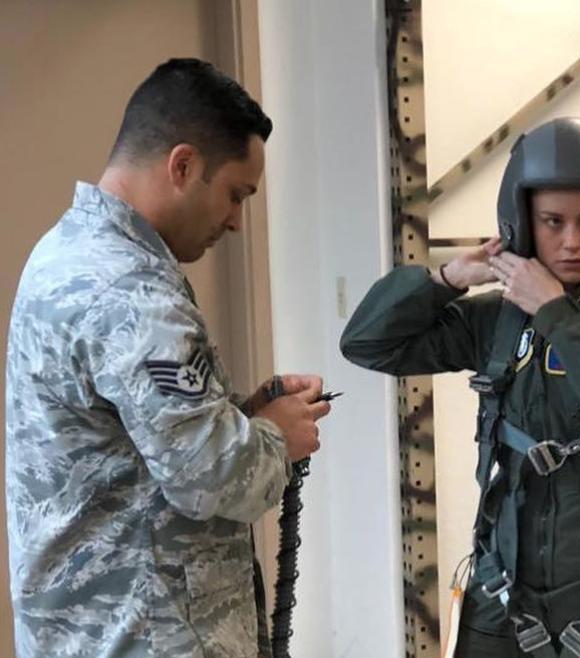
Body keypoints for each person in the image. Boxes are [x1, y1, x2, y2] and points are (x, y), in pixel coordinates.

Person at [341, 117, 580, 657]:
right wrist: (445, 281)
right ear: (522, 225)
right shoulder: (500, 319)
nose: (572, 241)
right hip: (507, 589)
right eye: (552, 222)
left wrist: (555, 312)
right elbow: (368, 344)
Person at [5, 58, 330, 658]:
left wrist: (246, 416)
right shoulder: (132, 292)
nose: (236, 221)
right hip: (145, 636)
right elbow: (212, 478)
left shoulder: (70, 252)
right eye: (235, 194)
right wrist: (278, 438)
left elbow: (137, 447)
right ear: (183, 165)